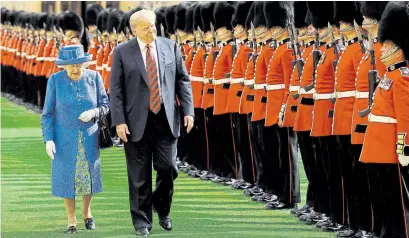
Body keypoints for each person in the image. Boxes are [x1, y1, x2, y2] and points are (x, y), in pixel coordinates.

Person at [109, 9, 194, 237]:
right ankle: (142, 222)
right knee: (139, 176)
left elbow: (182, 81)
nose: (152, 30)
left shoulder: (170, 46)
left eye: (153, 25)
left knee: (168, 168)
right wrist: (119, 121)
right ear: (134, 29)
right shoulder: (122, 52)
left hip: (166, 119)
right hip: (135, 122)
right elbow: (115, 90)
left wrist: (189, 111)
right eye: (146, 26)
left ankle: (162, 206)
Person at [41, 44, 110, 234]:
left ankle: (87, 213)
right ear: (63, 66)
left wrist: (94, 112)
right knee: (67, 179)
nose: (75, 69)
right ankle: (71, 221)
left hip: (89, 137)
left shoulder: (94, 77)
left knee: (87, 177)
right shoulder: (55, 80)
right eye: (71, 65)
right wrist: (48, 139)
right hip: (64, 139)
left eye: (79, 64)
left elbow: (105, 104)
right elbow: (47, 114)